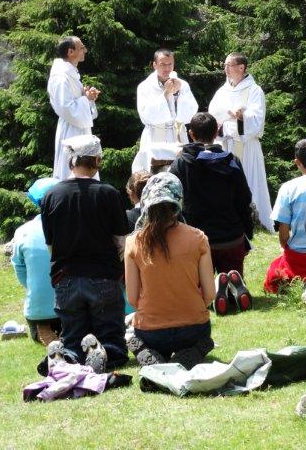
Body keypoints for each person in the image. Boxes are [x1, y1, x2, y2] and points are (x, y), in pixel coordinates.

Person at [40, 134, 130, 368]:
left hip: (65, 277)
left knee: (72, 339)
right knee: (112, 339)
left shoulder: (51, 195)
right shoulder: (109, 193)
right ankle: (105, 352)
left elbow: (51, 245)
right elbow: (121, 241)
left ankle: (65, 357)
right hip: (103, 275)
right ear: (97, 160)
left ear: (71, 161)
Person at [124, 172, 216, 368]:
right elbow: (210, 294)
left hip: (151, 332)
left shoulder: (133, 242)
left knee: (135, 334)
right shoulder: (199, 238)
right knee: (203, 340)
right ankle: (195, 350)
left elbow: (132, 299)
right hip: (194, 329)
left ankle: (149, 353)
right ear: (178, 201)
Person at [169, 112, 254, 314]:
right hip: (232, 239)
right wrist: (247, 234)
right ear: (217, 132)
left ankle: (211, 290)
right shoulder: (232, 161)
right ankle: (230, 288)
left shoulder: (181, 164)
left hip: (196, 242)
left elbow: (173, 204)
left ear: (191, 134)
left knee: (195, 290)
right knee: (230, 271)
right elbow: (244, 200)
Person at [208, 52, 272, 231]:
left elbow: (257, 120)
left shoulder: (254, 90)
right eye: (225, 65)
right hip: (225, 143)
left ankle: (255, 220)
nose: (225, 69)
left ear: (241, 68)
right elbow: (213, 114)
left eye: (229, 65)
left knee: (248, 180)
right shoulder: (222, 91)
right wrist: (221, 123)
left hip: (245, 145)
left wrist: (242, 117)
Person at [264, 139, 306, 294]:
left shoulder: (288, 188)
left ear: (297, 162)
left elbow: (283, 233)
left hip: (297, 258)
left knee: (274, 271)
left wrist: (285, 248)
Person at [11, 177, 61, 346]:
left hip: (37, 310)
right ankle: (66, 333)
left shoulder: (23, 231)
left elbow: (20, 270)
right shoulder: (73, 228)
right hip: (71, 306)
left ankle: (44, 330)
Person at [132, 49, 198, 173]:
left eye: (170, 64)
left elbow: (191, 114)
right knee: (153, 175)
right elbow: (146, 116)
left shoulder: (182, 85)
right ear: (155, 65)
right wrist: (166, 94)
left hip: (177, 136)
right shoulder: (145, 87)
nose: (167, 69)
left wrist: (178, 94)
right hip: (155, 137)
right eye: (163, 64)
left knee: (180, 174)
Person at [47, 36, 100, 180]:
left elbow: (75, 102)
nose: (85, 51)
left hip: (79, 128)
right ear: (71, 52)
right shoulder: (61, 77)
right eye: (82, 48)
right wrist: (85, 99)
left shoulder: (71, 73)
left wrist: (87, 97)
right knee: (70, 170)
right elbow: (65, 108)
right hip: (70, 130)